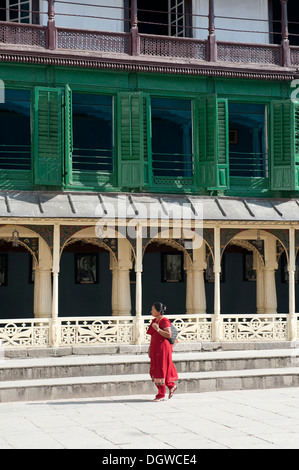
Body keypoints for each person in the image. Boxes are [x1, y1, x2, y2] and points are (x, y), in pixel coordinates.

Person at [147, 302, 178, 402]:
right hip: (156, 348)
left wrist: (158, 329)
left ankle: (161, 394)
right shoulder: (154, 320)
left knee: (162, 368)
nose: (151, 311)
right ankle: (171, 386)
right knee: (157, 368)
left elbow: (168, 334)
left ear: (158, 311)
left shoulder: (164, 321)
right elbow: (152, 336)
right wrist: (150, 348)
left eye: (153, 309)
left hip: (163, 348)